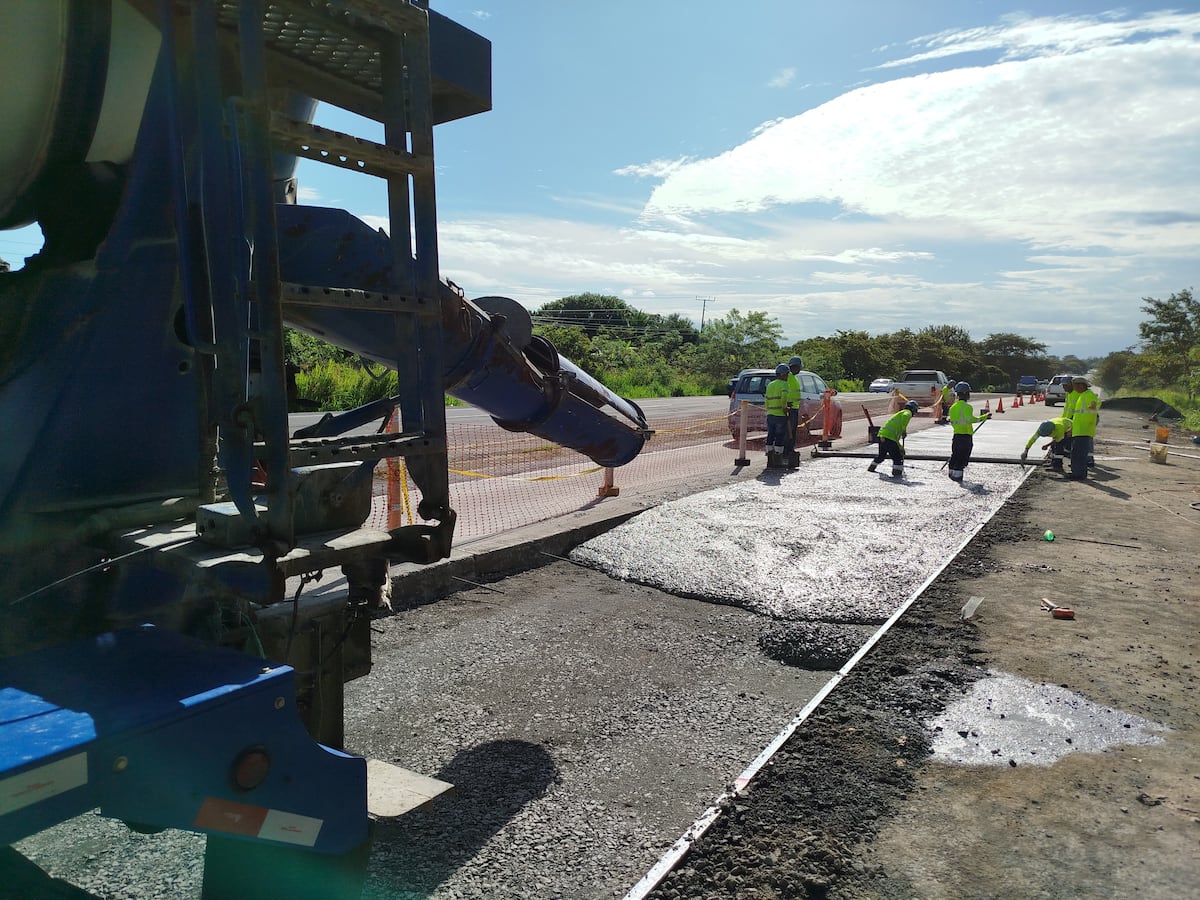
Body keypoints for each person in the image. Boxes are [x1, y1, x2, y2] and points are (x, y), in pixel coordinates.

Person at [946, 382, 990, 482]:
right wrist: (984, 417)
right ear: (966, 393)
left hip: (956, 436)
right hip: (965, 437)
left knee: (955, 455)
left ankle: (951, 474)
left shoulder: (953, 407)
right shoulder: (967, 407)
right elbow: (970, 419)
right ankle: (958, 477)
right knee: (962, 457)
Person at [869, 400, 918, 477]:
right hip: (889, 437)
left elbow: (895, 441)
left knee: (881, 456)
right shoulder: (907, 412)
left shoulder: (900, 413)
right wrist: (904, 430)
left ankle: (871, 468)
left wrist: (901, 448)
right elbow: (905, 417)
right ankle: (897, 473)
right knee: (897, 457)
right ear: (913, 409)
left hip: (882, 435)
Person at [1069, 376, 1100, 479]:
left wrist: (1093, 405)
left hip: (1084, 430)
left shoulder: (1088, 395)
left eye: (1075, 386)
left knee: (1079, 454)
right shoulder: (1082, 395)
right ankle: (1077, 473)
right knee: (1077, 453)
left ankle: (1078, 474)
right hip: (1079, 430)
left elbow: (1095, 403)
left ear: (1081, 385)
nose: (1074, 388)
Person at [765, 364, 790, 468]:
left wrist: (769, 409)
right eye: (787, 374)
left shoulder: (770, 385)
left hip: (770, 414)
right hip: (780, 415)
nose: (788, 377)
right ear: (783, 374)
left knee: (770, 436)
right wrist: (785, 409)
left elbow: (766, 400)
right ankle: (778, 459)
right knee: (779, 437)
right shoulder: (784, 385)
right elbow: (784, 399)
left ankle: (769, 458)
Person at [784, 356, 804, 457]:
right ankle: (787, 450)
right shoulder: (788, 377)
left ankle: (790, 449)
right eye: (799, 367)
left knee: (792, 430)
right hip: (789, 409)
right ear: (795, 367)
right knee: (789, 431)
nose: (800, 370)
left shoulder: (793, 377)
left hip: (794, 408)